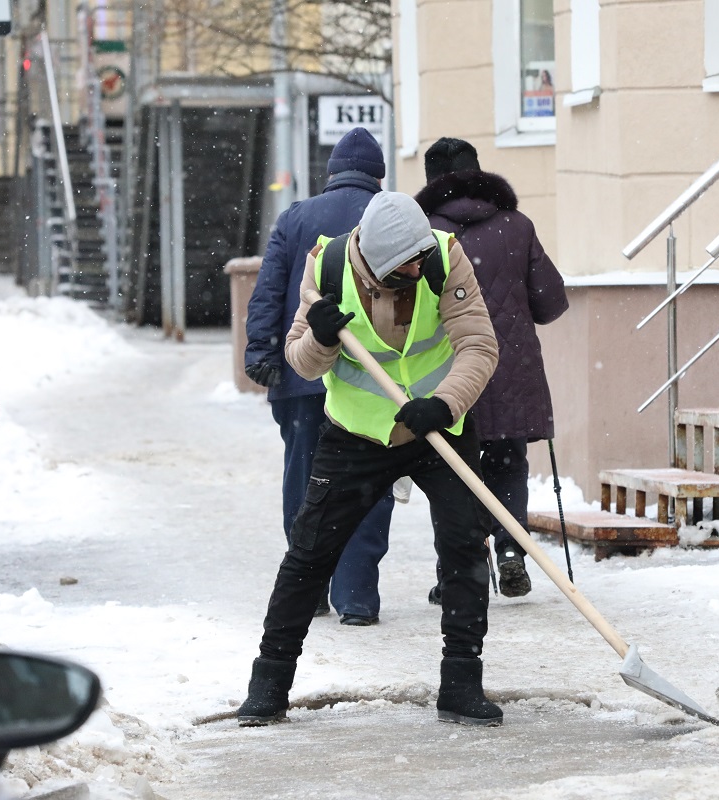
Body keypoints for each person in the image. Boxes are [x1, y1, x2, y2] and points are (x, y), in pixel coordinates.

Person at [236, 191, 503, 728]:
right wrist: (321, 336)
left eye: (420, 256)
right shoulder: (328, 266)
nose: (418, 267)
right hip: (357, 432)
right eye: (406, 264)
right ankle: (268, 683)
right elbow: (303, 365)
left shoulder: (445, 258)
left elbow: (479, 345)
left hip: (439, 425)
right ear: (376, 264)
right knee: (310, 553)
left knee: (465, 551)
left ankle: (461, 683)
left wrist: (445, 402)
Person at [244, 127, 395, 626]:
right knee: (367, 482)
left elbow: (267, 290)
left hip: (303, 373)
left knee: (307, 480)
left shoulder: (295, 217)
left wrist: (261, 349)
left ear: (330, 175)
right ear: (379, 176)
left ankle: (307, 588)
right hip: (371, 379)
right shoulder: (390, 217)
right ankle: (356, 594)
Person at [414, 137, 569, 600]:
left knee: (452, 473)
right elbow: (551, 302)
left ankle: (458, 569)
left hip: (449, 369)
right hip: (509, 368)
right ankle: (511, 551)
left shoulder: (422, 234)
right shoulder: (516, 226)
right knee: (507, 463)